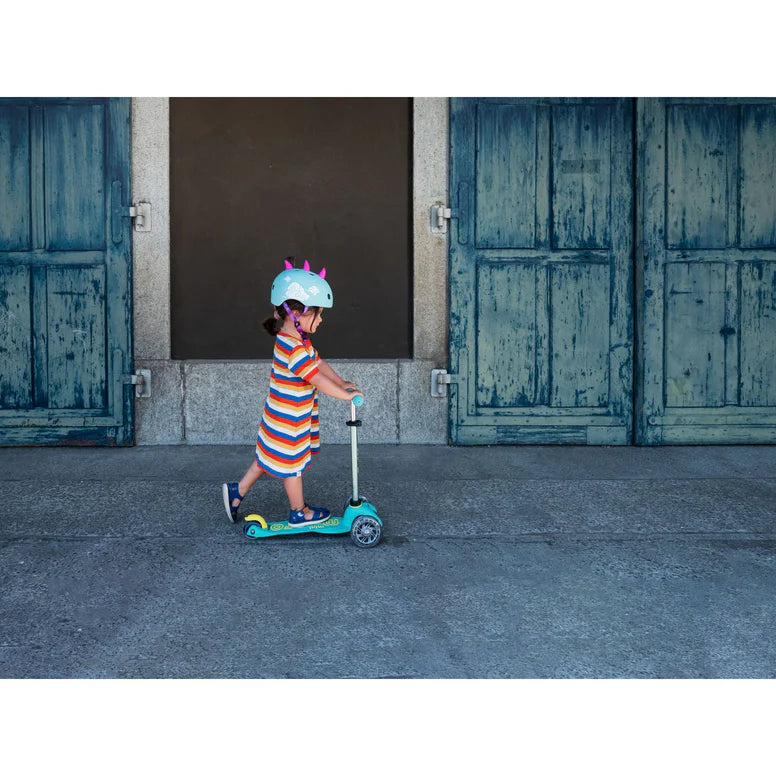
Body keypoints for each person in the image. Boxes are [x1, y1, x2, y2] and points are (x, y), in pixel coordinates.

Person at [222, 259, 363, 526]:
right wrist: (346, 396)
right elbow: (316, 379)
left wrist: (343, 382)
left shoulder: (297, 342)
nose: (321, 320)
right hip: (289, 422)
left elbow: (319, 364)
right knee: (293, 466)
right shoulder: (294, 350)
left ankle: (236, 492)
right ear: (297, 314)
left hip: (280, 415)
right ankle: (299, 511)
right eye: (318, 314)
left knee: (265, 458)